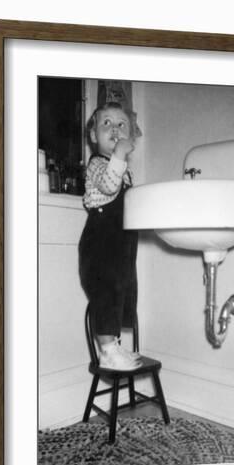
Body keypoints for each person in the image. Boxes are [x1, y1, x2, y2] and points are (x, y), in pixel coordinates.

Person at [79, 102, 142, 371]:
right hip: (101, 243)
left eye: (121, 124)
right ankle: (106, 351)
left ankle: (113, 346)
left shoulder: (125, 171)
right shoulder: (97, 165)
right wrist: (118, 155)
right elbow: (107, 184)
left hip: (120, 245)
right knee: (104, 293)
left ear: (132, 137)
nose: (114, 128)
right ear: (94, 136)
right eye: (106, 123)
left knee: (120, 293)